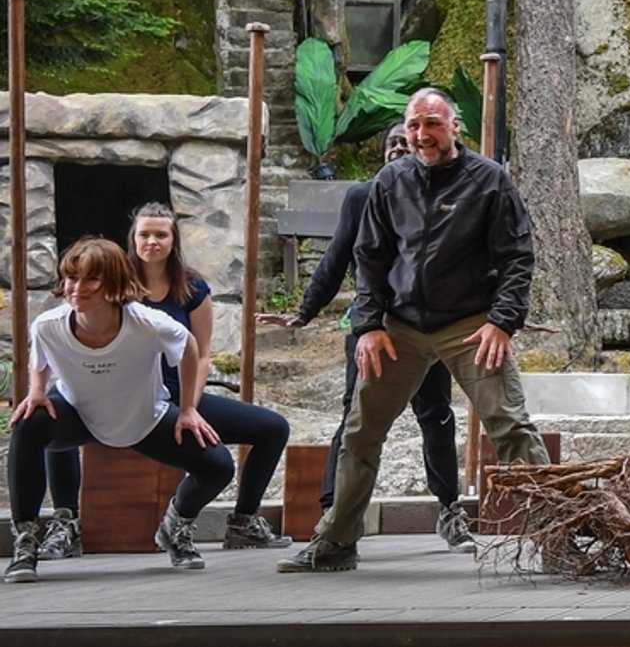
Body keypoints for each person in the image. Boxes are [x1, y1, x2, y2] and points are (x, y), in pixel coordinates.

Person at [279, 88, 552, 573]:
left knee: (509, 425)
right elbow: (370, 260)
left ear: (454, 126)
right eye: (414, 125)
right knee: (360, 432)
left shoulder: (489, 181)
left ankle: (560, 534)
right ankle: (337, 541)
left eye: (432, 124)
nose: (422, 135)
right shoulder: (390, 181)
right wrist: (367, 325)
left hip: (470, 323)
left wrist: (501, 322)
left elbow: (517, 258)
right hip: (400, 324)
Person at [257, 124, 472, 553]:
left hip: (426, 327)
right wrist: (304, 312)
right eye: (389, 143)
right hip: (373, 328)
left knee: (436, 416)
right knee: (355, 421)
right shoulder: (363, 196)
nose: (397, 148)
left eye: (403, 142)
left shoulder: (436, 196)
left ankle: (450, 509)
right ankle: (334, 515)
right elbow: (336, 259)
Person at [36, 204, 294, 561]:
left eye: (161, 234)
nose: (152, 242)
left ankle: (243, 521)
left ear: (174, 241)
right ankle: (66, 524)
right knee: (51, 415)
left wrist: (191, 406)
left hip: (179, 396)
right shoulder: (113, 284)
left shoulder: (192, 288)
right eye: (144, 234)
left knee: (272, 428)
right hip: (121, 396)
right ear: (133, 239)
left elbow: (201, 353)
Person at [8, 237, 235, 582]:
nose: (76, 288)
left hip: (145, 420)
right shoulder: (49, 325)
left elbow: (189, 346)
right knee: (28, 422)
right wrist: (37, 391)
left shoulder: (146, 323)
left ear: (113, 284)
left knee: (219, 466)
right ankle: (26, 544)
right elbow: (40, 358)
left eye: (89, 280)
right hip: (80, 417)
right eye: (71, 278)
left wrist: (188, 408)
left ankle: (175, 527)